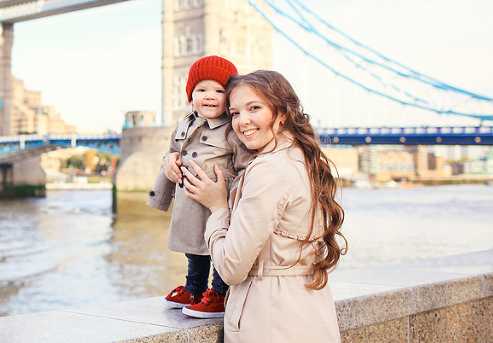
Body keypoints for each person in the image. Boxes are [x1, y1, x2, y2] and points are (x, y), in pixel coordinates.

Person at [182, 70, 346, 342]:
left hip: (270, 319)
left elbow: (231, 268)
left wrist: (218, 208)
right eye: (234, 113)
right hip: (307, 313)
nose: (242, 121)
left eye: (254, 108)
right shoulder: (300, 157)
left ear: (282, 113)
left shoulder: (269, 170)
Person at [146, 55, 254, 318]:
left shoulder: (232, 129)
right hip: (189, 200)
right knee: (193, 248)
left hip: (219, 202)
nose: (210, 96)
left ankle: (219, 292)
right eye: (202, 89)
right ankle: (194, 288)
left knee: (218, 248)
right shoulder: (184, 123)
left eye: (219, 90)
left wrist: (236, 199)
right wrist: (167, 163)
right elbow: (173, 152)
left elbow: (245, 167)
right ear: (190, 96)